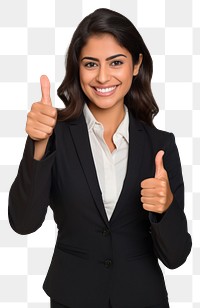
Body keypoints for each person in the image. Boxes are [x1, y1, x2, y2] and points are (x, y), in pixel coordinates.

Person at [8, 8, 192, 308]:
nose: (103, 76)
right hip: (72, 298)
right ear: (77, 69)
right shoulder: (56, 136)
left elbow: (176, 256)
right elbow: (24, 223)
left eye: (116, 62)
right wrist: (38, 145)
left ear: (136, 64)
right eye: (90, 64)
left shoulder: (160, 145)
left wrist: (166, 207)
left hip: (143, 299)